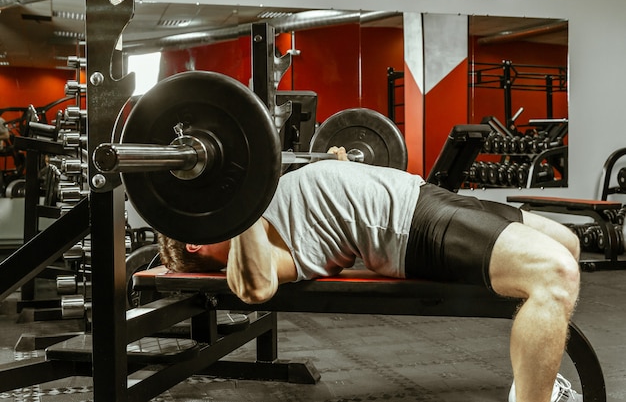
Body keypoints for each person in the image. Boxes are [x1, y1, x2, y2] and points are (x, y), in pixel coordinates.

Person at [158, 146, 582, 402]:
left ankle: (537, 371)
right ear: (195, 242)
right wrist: (239, 203)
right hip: (411, 226)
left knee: (569, 244)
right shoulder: (262, 248)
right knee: (554, 273)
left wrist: (337, 164)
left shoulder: (267, 207)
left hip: (423, 195)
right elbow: (255, 288)